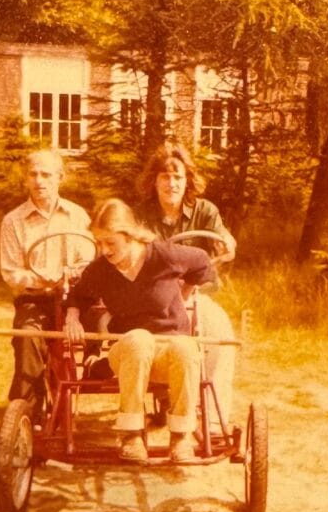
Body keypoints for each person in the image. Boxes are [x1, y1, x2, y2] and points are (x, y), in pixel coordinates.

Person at [63, 198, 216, 463]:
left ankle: (180, 437)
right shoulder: (101, 270)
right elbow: (77, 295)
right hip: (127, 354)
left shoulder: (163, 256)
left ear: (131, 235)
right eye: (99, 242)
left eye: (110, 242)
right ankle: (131, 434)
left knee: (185, 345)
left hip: (169, 353)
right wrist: (72, 317)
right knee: (139, 339)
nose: (104, 250)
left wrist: (187, 291)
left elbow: (202, 262)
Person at [135, 142, 236, 432]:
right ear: (153, 181)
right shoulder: (142, 215)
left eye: (178, 177)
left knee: (220, 334)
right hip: (155, 297)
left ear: (187, 180)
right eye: (165, 177)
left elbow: (224, 240)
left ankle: (215, 421)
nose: (172, 183)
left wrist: (227, 243)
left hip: (196, 297)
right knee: (143, 340)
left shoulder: (205, 211)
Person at [0, 149, 94, 419]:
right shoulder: (13, 221)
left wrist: (71, 276)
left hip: (73, 298)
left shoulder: (78, 216)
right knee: (28, 339)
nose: (39, 181)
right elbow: (11, 272)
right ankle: (27, 412)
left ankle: (81, 383)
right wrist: (42, 279)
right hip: (35, 299)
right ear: (26, 179)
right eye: (33, 174)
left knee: (100, 331)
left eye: (46, 175)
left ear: (60, 178)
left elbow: (89, 260)